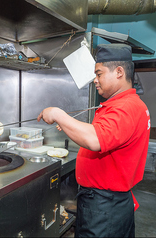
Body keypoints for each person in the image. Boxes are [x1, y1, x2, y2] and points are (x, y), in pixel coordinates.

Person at [37, 43, 151, 237]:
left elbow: (96, 139)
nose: (95, 80)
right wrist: (69, 126)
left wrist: (57, 113)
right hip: (105, 202)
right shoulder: (124, 104)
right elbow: (102, 133)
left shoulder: (125, 107)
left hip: (105, 206)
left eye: (99, 74)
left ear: (119, 72)